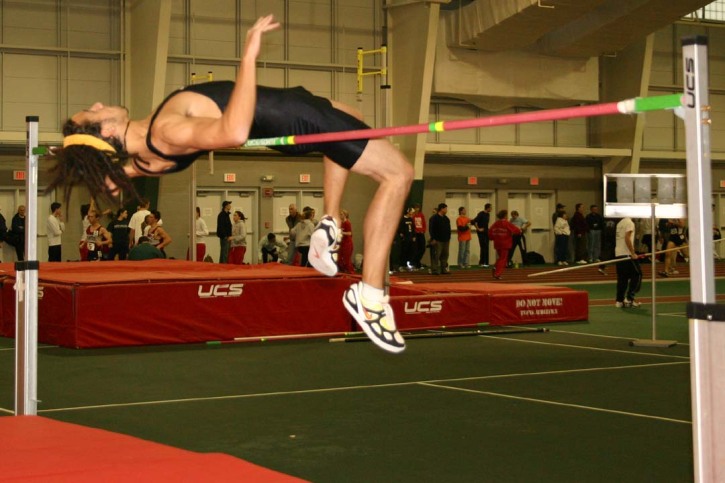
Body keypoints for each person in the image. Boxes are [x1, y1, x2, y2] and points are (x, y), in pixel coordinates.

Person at [49, 15, 413, 353]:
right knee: (398, 174)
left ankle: (329, 222)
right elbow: (234, 132)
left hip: (284, 106)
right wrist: (249, 57)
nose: (97, 103)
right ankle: (371, 295)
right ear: (107, 130)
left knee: (354, 115)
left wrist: (104, 172)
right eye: (92, 112)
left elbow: (121, 173)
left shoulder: (144, 156)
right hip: (291, 118)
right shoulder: (165, 132)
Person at [614, 217, 642, 308]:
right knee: (638, 274)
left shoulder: (620, 223)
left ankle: (619, 301)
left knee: (623, 278)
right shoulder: (630, 223)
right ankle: (629, 298)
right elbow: (627, 237)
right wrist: (633, 253)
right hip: (627, 254)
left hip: (618, 254)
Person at [489, 209, 521, 279]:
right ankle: (497, 273)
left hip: (497, 243)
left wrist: (492, 238)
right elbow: (517, 230)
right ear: (505, 216)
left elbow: (490, 232)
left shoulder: (495, 223)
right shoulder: (507, 223)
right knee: (503, 259)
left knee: (501, 258)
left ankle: (495, 267)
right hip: (505, 243)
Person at [428, 203, 451, 275]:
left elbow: (448, 229)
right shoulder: (434, 218)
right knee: (436, 255)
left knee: (445, 255)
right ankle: (434, 270)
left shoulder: (446, 219)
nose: (446, 210)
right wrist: (433, 238)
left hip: (446, 240)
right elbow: (431, 229)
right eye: (446, 208)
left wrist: (448, 238)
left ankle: (443, 269)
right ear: (442, 209)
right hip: (437, 240)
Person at [472, 203, 492, 267]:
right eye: (491, 208)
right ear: (487, 208)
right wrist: (478, 229)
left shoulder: (488, 214)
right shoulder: (481, 214)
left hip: (486, 232)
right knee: (483, 247)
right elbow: (473, 221)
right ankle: (481, 262)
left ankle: (486, 263)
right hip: (481, 233)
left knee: (487, 247)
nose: (491, 209)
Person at [397, 207, 416, 271]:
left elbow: (413, 228)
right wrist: (402, 236)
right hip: (405, 238)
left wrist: (414, 236)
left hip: (410, 238)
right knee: (403, 252)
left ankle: (408, 265)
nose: (412, 213)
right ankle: (401, 265)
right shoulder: (402, 219)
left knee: (410, 252)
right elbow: (400, 229)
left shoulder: (411, 219)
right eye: (411, 212)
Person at [337, 209, 354, 273]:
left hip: (347, 243)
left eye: (341, 214)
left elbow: (349, 233)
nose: (340, 216)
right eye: (340, 214)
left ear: (345, 215)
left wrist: (341, 232)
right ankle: (343, 271)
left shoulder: (347, 223)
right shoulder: (341, 223)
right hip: (342, 242)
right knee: (340, 258)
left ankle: (351, 272)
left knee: (346, 259)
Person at [411, 203, 427, 269]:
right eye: (416, 207)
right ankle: (416, 263)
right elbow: (412, 225)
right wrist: (415, 232)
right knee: (416, 249)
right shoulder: (413, 216)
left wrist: (423, 230)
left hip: (421, 233)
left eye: (418, 207)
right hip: (416, 233)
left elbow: (424, 223)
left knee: (423, 248)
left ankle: (416, 261)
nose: (417, 209)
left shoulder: (421, 215)